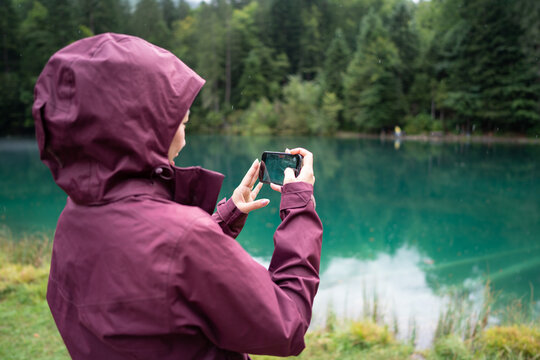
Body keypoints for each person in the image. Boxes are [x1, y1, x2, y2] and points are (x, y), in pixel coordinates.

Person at [33, 33, 322, 359]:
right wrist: (300, 206)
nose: (184, 129)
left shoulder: (73, 217)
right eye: (178, 119)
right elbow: (288, 325)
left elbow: (155, 275)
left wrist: (225, 217)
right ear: (137, 126)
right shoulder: (184, 240)